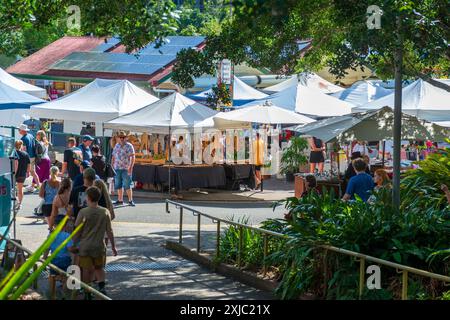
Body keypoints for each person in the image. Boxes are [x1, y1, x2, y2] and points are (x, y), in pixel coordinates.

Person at [74, 186, 117, 297]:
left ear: (88, 197)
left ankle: (87, 292)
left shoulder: (83, 212)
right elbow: (109, 231)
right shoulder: (105, 212)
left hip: (85, 247)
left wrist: (73, 244)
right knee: (99, 268)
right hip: (99, 246)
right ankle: (101, 287)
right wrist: (113, 246)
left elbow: (77, 231)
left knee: (86, 270)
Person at [111, 131, 136, 206]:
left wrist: (131, 167)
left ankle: (130, 200)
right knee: (118, 185)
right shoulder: (116, 145)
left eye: (123, 137)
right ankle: (120, 200)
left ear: (125, 138)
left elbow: (133, 157)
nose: (121, 139)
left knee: (127, 185)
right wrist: (112, 165)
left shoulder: (129, 146)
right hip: (117, 168)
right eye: (120, 137)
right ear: (118, 138)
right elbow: (113, 156)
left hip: (126, 168)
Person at [18, 124, 40, 190]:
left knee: (22, 171)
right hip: (33, 156)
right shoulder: (31, 136)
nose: (18, 131)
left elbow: (24, 150)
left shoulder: (23, 139)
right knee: (33, 172)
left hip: (28, 158)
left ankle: (19, 187)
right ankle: (39, 186)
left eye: (19, 129)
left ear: (23, 130)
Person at [13, 140, 30, 210]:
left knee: (13, 189)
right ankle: (19, 204)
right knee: (20, 189)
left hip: (15, 173)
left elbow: (15, 164)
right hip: (22, 173)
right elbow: (28, 165)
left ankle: (16, 201)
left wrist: (14, 173)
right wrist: (28, 172)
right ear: (21, 145)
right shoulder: (26, 154)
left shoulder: (14, 153)